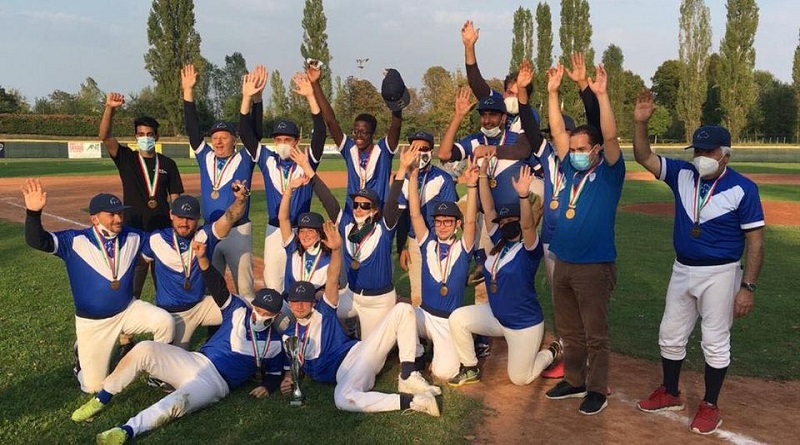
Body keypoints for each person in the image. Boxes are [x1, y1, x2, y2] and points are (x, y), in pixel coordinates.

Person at [632, 91, 765, 435]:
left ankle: (710, 405)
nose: (702, 158)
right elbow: (643, 156)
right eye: (698, 151)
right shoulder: (681, 174)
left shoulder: (743, 188)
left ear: (725, 155)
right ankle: (670, 392)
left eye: (709, 152)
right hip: (682, 268)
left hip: (721, 273)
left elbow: (755, 240)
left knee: (715, 341)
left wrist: (747, 287)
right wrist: (640, 123)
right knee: (670, 334)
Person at [71, 240, 287, 444]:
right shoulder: (238, 311)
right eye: (258, 309)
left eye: (267, 313)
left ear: (275, 316)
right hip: (194, 360)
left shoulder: (275, 344)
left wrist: (267, 387)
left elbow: (275, 373)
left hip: (215, 383)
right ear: (253, 305)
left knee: (177, 402)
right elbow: (218, 287)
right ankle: (102, 398)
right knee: (145, 348)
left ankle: (127, 430)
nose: (260, 315)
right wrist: (203, 259)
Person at [21, 179, 174, 393]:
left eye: (120, 213)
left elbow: (159, 241)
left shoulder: (133, 236)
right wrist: (33, 213)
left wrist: (185, 224)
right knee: (93, 387)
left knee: (165, 321)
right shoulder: (74, 240)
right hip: (94, 323)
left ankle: (157, 375)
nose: (118, 218)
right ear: (94, 218)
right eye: (111, 214)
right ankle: (80, 355)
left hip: (127, 310)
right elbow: (38, 241)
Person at [280, 221, 441, 416]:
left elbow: (332, 277)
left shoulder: (323, 311)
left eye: (304, 301)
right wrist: (288, 378)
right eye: (295, 301)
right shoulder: (288, 335)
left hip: (356, 355)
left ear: (313, 302)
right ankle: (415, 400)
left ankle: (408, 376)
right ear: (290, 303)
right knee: (344, 398)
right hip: (348, 374)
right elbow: (293, 362)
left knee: (403, 309)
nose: (299, 306)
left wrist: (337, 250)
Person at [542, 63, 624, 416]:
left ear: (595, 150)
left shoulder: (609, 172)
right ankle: (574, 380)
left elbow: (611, 137)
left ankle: (597, 388)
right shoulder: (568, 169)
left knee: (595, 334)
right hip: (563, 261)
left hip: (594, 267)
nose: (573, 151)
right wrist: (552, 93)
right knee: (570, 331)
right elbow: (557, 131)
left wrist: (601, 96)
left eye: (581, 148)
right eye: (572, 147)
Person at [518, 53, 603, 380]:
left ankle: (591, 364)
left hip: (580, 245)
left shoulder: (588, 162)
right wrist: (523, 95)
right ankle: (570, 355)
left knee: (585, 305)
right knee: (563, 305)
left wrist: (584, 87)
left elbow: (595, 123)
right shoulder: (549, 158)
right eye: (553, 136)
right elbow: (530, 128)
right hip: (551, 241)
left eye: (559, 134)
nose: (554, 139)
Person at [447, 164, 558, 387]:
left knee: (520, 378)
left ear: (519, 221)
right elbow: (489, 210)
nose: (506, 225)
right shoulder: (499, 243)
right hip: (497, 317)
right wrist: (482, 176)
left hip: (523, 325)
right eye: (503, 222)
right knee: (457, 318)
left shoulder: (529, 248)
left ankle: (552, 352)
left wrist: (523, 196)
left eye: (510, 221)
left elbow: (528, 226)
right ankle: (470, 368)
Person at [99, 92, 184, 357]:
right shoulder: (126, 158)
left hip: (161, 235)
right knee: (131, 287)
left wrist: (178, 229)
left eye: (149, 134)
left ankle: (170, 338)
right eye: (140, 134)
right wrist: (110, 109)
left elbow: (176, 199)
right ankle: (126, 340)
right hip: (133, 234)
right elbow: (105, 136)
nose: (145, 137)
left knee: (166, 288)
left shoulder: (168, 164)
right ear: (135, 137)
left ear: (156, 137)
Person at [239, 66, 326, 293]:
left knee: (302, 284)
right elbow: (245, 133)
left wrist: (311, 97)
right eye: (278, 139)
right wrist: (247, 98)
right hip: (274, 231)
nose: (282, 143)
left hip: (302, 232)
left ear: (297, 141)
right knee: (273, 283)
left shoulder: (306, 160)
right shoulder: (267, 159)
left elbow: (320, 132)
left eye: (288, 139)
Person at [308, 148, 410, 340]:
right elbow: (327, 199)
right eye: (355, 204)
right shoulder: (346, 225)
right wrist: (308, 169)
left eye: (365, 205)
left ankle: (395, 326)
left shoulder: (384, 228)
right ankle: (343, 335)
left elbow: (391, 201)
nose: (358, 209)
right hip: (352, 296)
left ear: (375, 210)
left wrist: (403, 168)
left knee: (370, 352)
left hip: (377, 301)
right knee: (317, 308)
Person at [140, 182, 249, 349]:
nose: (184, 223)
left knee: (249, 308)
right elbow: (136, 264)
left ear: (198, 219)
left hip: (201, 306)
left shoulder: (204, 234)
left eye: (190, 218)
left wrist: (240, 200)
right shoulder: (156, 239)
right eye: (180, 217)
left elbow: (230, 217)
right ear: (171, 215)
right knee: (173, 360)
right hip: (173, 315)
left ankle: (229, 347)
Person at [182, 63, 257, 300]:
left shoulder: (245, 157)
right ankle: (216, 323)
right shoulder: (205, 157)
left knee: (245, 289)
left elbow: (253, 131)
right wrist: (188, 92)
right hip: (210, 230)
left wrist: (251, 99)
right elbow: (193, 129)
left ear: (235, 140)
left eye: (224, 137)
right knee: (210, 289)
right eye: (215, 138)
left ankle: (249, 323)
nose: (219, 142)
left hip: (237, 231)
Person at [407, 149, 478, 380]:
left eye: (448, 222)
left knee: (444, 372)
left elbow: (470, 221)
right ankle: (416, 355)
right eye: (438, 222)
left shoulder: (463, 247)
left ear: (456, 224)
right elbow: (415, 215)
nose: (442, 226)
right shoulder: (428, 242)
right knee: (400, 313)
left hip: (448, 322)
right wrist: (413, 176)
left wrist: (472, 186)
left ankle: (450, 347)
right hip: (424, 316)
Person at [310, 65, 404, 207]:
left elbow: (396, 125)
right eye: (355, 131)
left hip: (378, 214)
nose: (358, 136)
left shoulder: (383, 151)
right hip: (352, 213)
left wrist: (394, 97)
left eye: (363, 132)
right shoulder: (350, 149)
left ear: (372, 134)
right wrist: (315, 83)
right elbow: (330, 121)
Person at [396, 131, 458, 307]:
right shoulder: (404, 178)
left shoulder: (443, 179)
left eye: (423, 148)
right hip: (414, 242)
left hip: (438, 241)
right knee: (417, 293)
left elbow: (450, 216)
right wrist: (402, 247)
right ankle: (420, 324)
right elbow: (401, 216)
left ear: (431, 151)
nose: (419, 152)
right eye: (414, 148)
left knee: (439, 289)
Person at [278, 148, 334, 294]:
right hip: (290, 302)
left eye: (310, 230)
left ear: (320, 234)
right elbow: (283, 219)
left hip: (315, 303)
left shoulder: (330, 255)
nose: (305, 235)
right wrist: (289, 189)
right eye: (302, 231)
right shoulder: (293, 248)